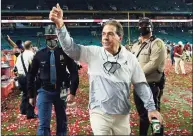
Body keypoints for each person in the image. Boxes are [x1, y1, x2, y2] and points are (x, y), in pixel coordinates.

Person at [49, 4, 163, 135]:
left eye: (110, 34)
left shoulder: (130, 58)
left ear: (120, 37)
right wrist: (60, 25)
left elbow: (140, 84)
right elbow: (71, 49)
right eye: (103, 34)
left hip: (122, 115)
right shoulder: (93, 53)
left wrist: (151, 108)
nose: (105, 37)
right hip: (99, 113)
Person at [27, 24, 79, 135]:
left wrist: (73, 92)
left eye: (53, 37)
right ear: (45, 38)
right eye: (49, 37)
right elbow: (31, 75)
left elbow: (74, 72)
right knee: (43, 123)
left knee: (62, 121)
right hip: (44, 90)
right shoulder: (39, 55)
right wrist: (31, 95)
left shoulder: (65, 53)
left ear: (58, 37)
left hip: (61, 91)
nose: (51, 39)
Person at [131, 17, 166, 136]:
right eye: (141, 24)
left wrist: (135, 74)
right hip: (138, 85)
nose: (143, 26)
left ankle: (158, 134)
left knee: (154, 115)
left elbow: (153, 63)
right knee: (142, 115)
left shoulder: (157, 43)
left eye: (146, 24)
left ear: (151, 27)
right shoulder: (135, 45)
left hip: (151, 85)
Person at [15, 40, 37, 119]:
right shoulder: (32, 54)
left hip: (20, 77)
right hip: (28, 77)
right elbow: (35, 67)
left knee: (25, 93)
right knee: (31, 94)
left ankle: (23, 110)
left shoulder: (20, 55)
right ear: (31, 46)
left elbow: (16, 67)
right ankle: (30, 113)